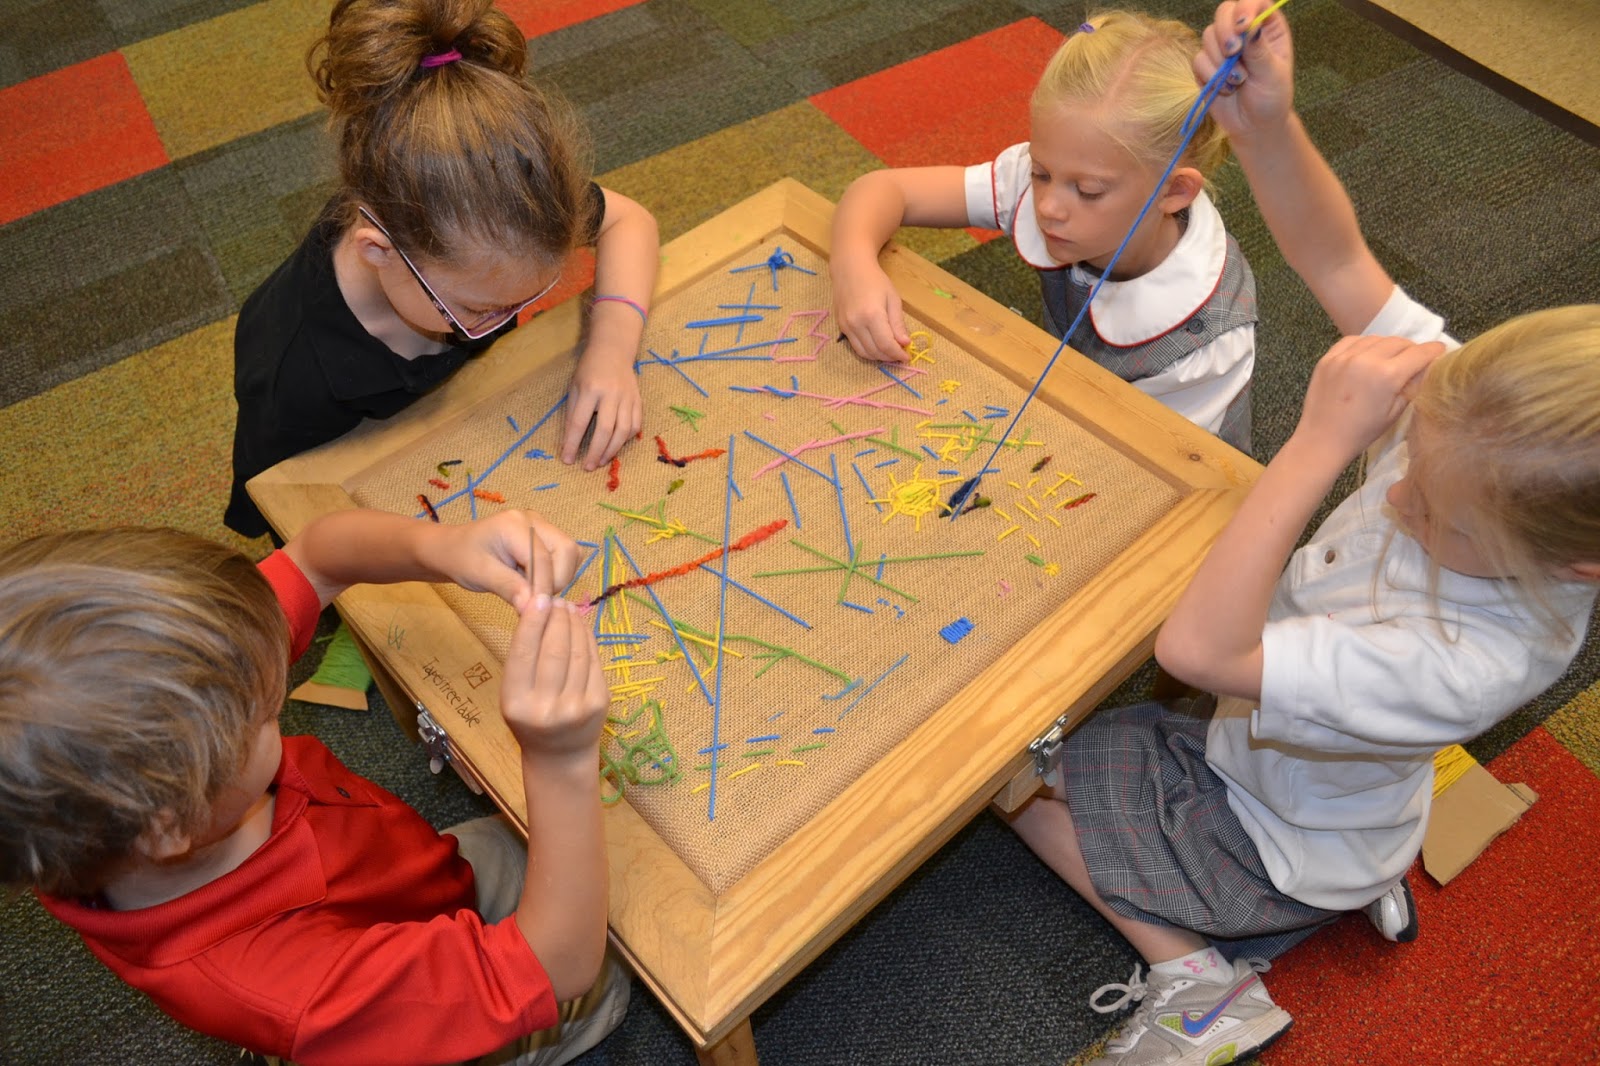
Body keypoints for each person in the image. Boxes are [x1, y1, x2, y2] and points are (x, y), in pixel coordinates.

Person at [1003, 4, 1600, 1064]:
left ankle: (1198, 976)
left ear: (1568, 565)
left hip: (1269, 835)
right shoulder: (1488, 426)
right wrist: (1270, 124)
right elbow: (1335, 259)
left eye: (1427, 503)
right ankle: (1363, 873)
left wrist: (1315, 448)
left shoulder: (1464, 659)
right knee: (1101, 727)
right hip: (1288, 755)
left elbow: (1197, 653)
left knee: (1006, 772)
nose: (1402, 486)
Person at [0, 508, 631, 1065]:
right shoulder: (293, 988)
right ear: (171, 825)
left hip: (410, 882)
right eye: (267, 712)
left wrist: (444, 547)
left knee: (515, 862)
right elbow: (557, 966)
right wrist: (561, 760)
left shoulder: (153, 721)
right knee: (614, 969)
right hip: (395, 1009)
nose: (278, 681)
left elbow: (316, 555)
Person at [225, 0, 659, 541]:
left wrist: (612, 347)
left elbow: (630, 222)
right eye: (480, 309)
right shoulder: (299, 374)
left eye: (528, 298)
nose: (505, 320)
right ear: (380, 251)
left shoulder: (491, 217)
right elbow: (290, 506)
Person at [830, 9, 1258, 454]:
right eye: (1040, 172)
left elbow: (1172, 467)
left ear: (1173, 192)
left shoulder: (1204, 340)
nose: (1049, 206)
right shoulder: (1062, 174)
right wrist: (853, 266)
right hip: (1061, 411)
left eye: (1089, 191)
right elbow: (881, 189)